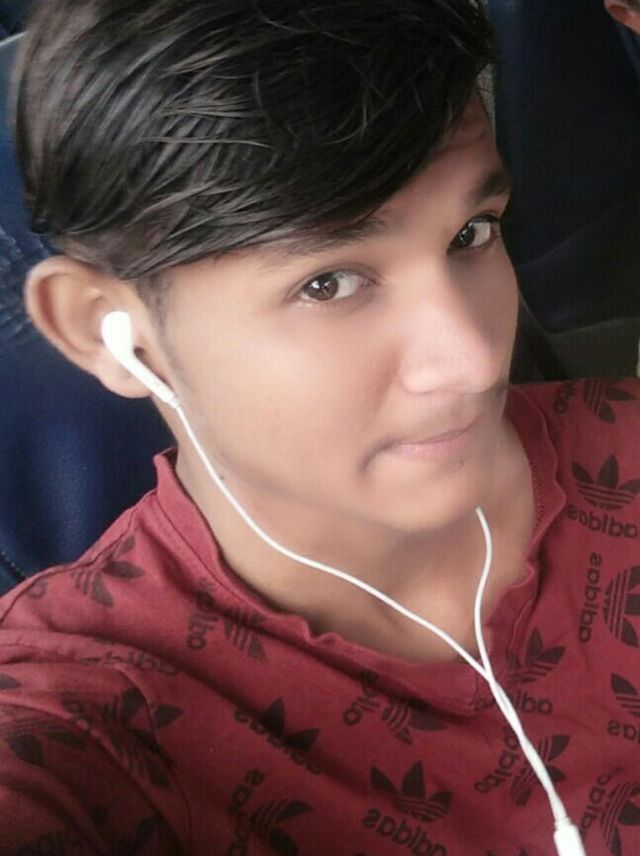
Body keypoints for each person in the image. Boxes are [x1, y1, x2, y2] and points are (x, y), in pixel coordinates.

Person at [0, 0, 638, 853]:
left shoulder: (623, 449)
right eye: (328, 283)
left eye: (470, 233)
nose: (475, 360)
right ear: (107, 330)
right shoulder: (90, 715)